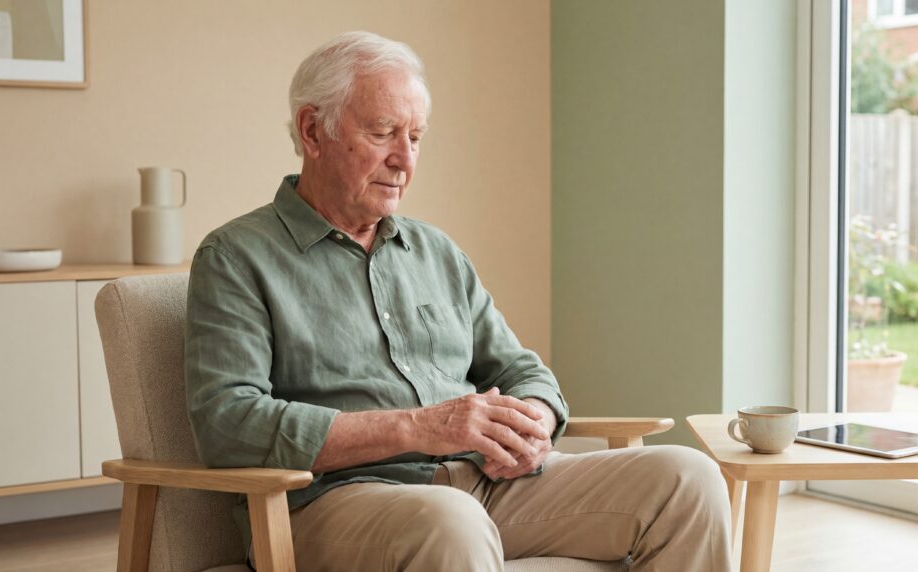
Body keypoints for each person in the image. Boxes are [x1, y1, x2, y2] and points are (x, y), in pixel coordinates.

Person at [184, 30, 731, 571]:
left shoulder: (434, 252)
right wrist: (419, 427)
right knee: (451, 521)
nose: (404, 158)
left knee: (688, 479)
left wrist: (534, 422)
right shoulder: (236, 256)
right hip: (336, 503)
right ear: (312, 130)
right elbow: (229, 423)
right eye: (383, 132)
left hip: (488, 487)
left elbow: (521, 371)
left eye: (416, 137)